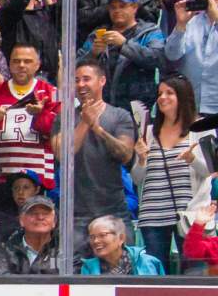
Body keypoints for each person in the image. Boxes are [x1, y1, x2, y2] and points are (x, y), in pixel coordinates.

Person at [52, 59, 137, 261]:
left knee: (125, 267)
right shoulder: (63, 117)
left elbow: (125, 155)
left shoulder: (119, 116)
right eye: (76, 80)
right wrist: (84, 121)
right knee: (73, 270)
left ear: (102, 81)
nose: (81, 85)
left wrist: (97, 128)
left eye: (86, 79)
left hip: (114, 209)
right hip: (75, 212)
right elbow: (63, 153)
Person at [131, 76, 211, 272]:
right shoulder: (149, 132)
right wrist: (141, 159)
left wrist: (192, 159)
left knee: (195, 272)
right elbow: (137, 178)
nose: (162, 98)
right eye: (160, 94)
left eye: (169, 93)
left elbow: (212, 171)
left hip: (190, 214)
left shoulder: (201, 128)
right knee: (154, 272)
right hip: (153, 214)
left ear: (183, 97)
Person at [76, 0, 164, 117]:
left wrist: (124, 45)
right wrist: (93, 54)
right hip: (101, 108)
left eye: (122, 6)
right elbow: (76, 66)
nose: (117, 10)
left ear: (134, 7)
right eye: (113, 7)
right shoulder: (97, 35)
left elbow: (157, 58)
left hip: (137, 108)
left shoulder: (149, 32)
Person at [0, 43, 59, 190]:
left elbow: (59, 135)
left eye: (27, 61)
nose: (21, 65)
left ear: (37, 65)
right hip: (2, 179)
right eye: (16, 61)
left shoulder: (51, 93)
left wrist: (41, 115)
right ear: (9, 64)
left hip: (39, 180)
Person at [165, 0, 218, 115]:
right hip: (192, 106)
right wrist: (181, 24)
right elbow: (171, 54)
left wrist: (216, 19)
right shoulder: (192, 22)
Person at [0, 194, 61, 274]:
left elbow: (71, 282)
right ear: (21, 220)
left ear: (54, 222)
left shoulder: (64, 250)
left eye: (45, 214)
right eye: (34, 213)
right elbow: (0, 281)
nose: (40, 217)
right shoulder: (5, 250)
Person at [80, 214, 165, 275]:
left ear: (121, 238)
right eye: (92, 237)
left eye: (102, 235)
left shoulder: (147, 263)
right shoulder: (88, 267)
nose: (96, 241)